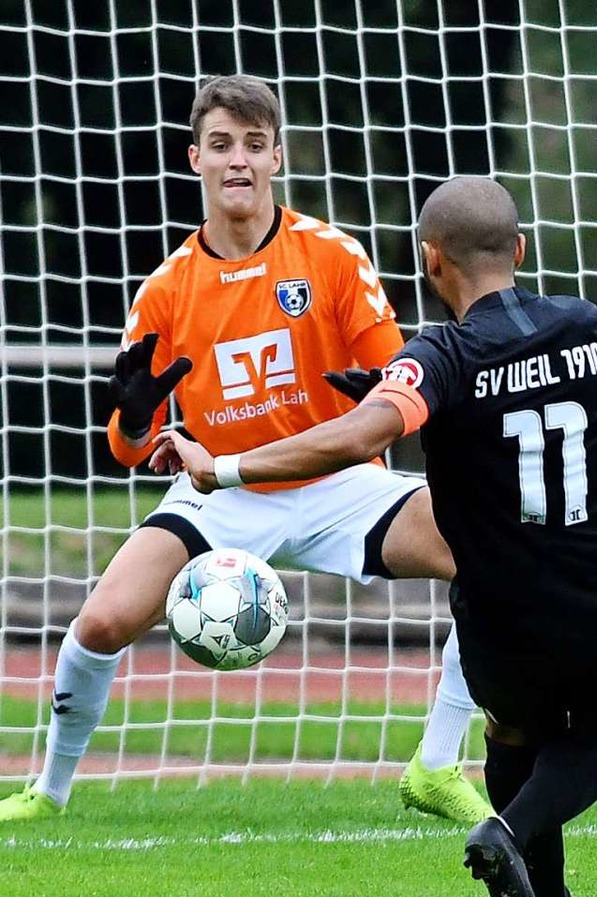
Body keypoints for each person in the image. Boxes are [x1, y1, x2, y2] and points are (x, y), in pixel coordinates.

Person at [0, 75, 492, 828]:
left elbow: (399, 383)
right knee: (99, 624)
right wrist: (135, 421)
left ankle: (436, 763)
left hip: (340, 483)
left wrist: (378, 387)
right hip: (219, 492)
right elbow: (130, 449)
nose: (239, 161)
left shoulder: (331, 256)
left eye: (254, 146)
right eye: (223, 145)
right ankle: (51, 790)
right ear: (194, 158)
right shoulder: (166, 289)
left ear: (277, 159)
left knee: (490, 557)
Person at [151, 176, 597, 897]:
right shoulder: (586, 323)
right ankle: (504, 832)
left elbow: (362, 436)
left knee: (513, 730)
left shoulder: (439, 356)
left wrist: (222, 467)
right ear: (519, 248)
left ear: (430, 260)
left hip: (496, 615)